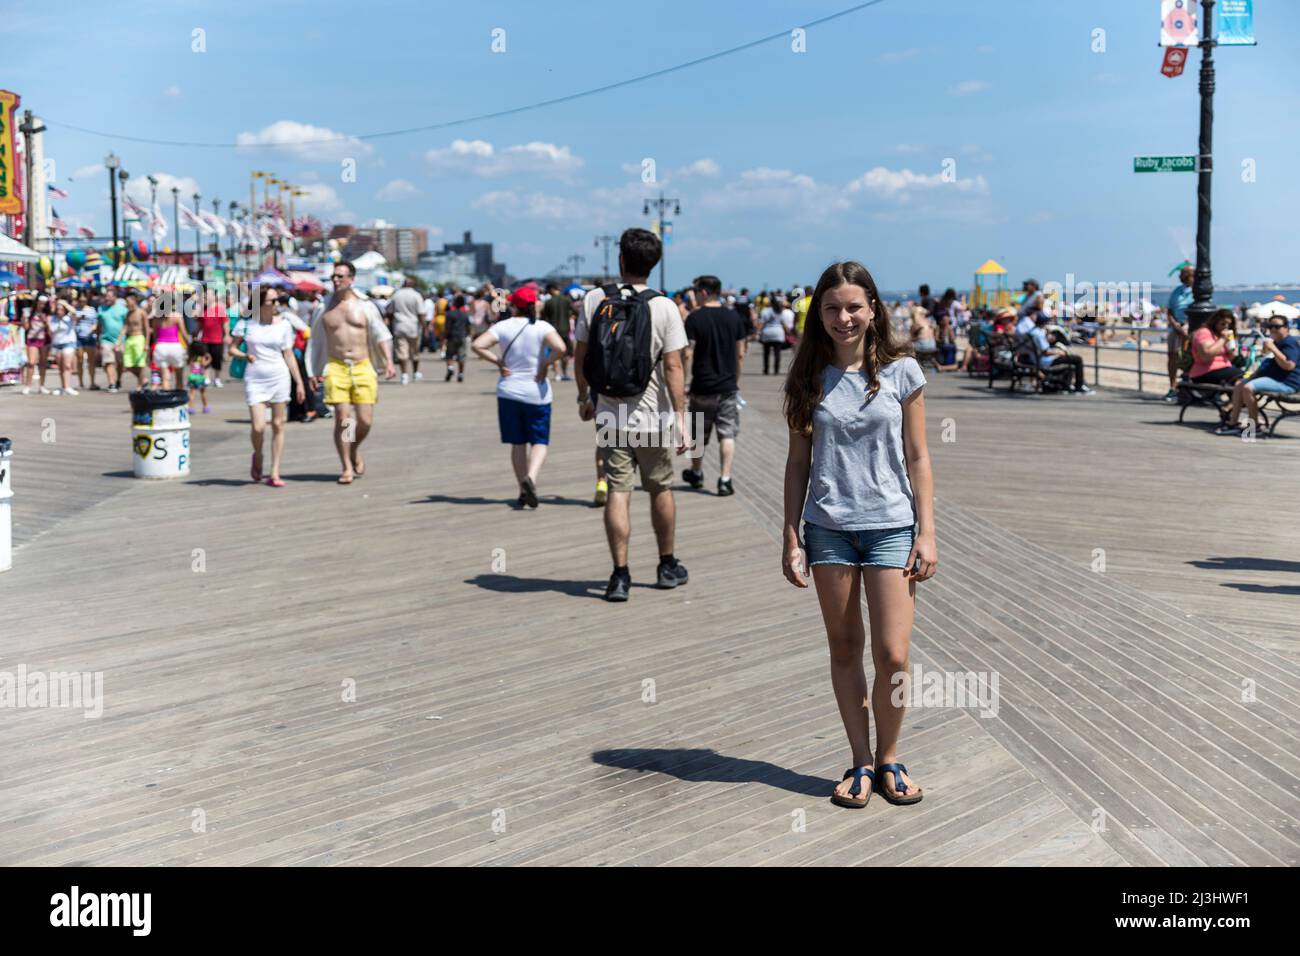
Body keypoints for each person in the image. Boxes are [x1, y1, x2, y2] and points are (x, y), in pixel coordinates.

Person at [781, 260, 936, 810]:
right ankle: (860, 762)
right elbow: (798, 463)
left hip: (892, 527)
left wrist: (927, 532)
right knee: (845, 647)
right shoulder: (807, 377)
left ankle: (891, 756)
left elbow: (918, 456)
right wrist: (790, 535)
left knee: (893, 654)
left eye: (853, 306)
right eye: (831, 308)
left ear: (873, 309)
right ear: (817, 314)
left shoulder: (902, 372)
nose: (843, 317)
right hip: (829, 530)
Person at [574, 228, 689, 601]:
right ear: (653, 265)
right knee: (661, 488)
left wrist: (584, 397)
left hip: (610, 414)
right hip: (653, 418)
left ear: (621, 259)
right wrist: (682, 419)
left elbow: (580, 356)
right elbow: (674, 367)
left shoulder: (595, 299)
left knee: (618, 492)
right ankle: (666, 564)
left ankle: (620, 575)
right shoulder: (664, 306)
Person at [471, 286, 567, 508]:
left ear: (514, 305)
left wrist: (498, 362)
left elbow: (477, 345)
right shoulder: (542, 327)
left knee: (517, 443)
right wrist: (545, 364)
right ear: (534, 304)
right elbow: (561, 348)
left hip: (509, 391)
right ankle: (531, 478)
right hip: (537, 392)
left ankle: (522, 490)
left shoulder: (502, 326)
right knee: (539, 441)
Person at [306, 262, 396, 485]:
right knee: (343, 419)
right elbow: (315, 341)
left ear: (351, 279)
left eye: (340, 276)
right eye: (334, 276)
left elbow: (381, 333)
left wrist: (389, 362)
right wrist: (313, 370)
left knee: (364, 421)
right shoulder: (324, 307)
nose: (336, 280)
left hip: (362, 366)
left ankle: (354, 448)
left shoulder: (364, 306)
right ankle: (346, 465)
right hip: (336, 367)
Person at [231, 287, 306, 487]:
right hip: (255, 378)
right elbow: (231, 348)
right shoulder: (246, 324)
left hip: (279, 376)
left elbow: (288, 354)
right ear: (260, 303)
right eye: (272, 301)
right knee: (258, 426)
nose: (277, 305)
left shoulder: (284, 325)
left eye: (278, 301)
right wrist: (244, 355)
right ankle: (258, 454)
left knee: (278, 424)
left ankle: (274, 472)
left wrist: (299, 382)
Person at [681, 274, 748, 496]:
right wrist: (735, 381)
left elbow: (688, 354)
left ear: (703, 292)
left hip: (702, 386)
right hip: (727, 387)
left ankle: (697, 472)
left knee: (698, 434)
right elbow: (740, 354)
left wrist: (684, 382)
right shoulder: (734, 318)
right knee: (727, 434)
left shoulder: (694, 319)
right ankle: (725, 479)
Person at [1216, 316, 1300, 435]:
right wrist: (1267, 350)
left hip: (1287, 383)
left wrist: (1273, 349)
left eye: (1277, 327)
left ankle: (1254, 426)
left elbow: (1289, 366)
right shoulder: (1277, 342)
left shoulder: (1289, 343)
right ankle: (1232, 423)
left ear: (1286, 328)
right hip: (1274, 378)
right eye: (1270, 327)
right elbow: (1267, 363)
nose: (1273, 330)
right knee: (1240, 385)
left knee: (1248, 388)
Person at [1030, 314, 1091, 393]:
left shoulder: (1034, 332)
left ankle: (1068, 385)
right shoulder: (1039, 334)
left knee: (1071, 358)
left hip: (1041, 359)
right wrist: (1059, 353)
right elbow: (1046, 352)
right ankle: (1079, 386)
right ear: (1043, 323)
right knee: (1078, 359)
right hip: (1047, 361)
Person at [1187, 308, 1242, 387]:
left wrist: (1231, 345)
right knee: (1238, 376)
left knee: (1243, 379)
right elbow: (1206, 356)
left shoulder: (1220, 335)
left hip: (1224, 368)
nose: (1225, 327)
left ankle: (1236, 399)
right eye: (1223, 324)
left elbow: (1231, 357)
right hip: (1205, 371)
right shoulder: (1204, 332)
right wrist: (1223, 339)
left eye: (1229, 325)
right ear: (1215, 321)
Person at [1163, 265, 1194, 401]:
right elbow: (1169, 310)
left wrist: (1186, 326)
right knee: (1173, 357)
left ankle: (1186, 387)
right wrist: (1175, 325)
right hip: (1175, 329)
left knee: (1187, 358)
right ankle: (1173, 387)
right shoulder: (1176, 291)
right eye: (1182, 273)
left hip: (1190, 329)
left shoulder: (1197, 291)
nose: (1182, 276)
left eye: (1185, 273)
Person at [387, 276, 425, 385]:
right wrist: (424, 326)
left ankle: (404, 374)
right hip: (413, 327)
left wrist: (391, 324)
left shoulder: (396, 295)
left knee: (402, 351)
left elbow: (389, 312)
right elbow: (421, 313)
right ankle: (415, 372)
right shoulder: (416, 295)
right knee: (415, 351)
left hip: (400, 326)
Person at [152, 302, 188, 391]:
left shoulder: (156, 319)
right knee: (179, 376)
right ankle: (179, 399)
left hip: (161, 347)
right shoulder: (177, 317)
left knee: (165, 377)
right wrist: (189, 346)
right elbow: (183, 333)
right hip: (175, 347)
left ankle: (166, 399)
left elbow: (155, 336)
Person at [541, 282, 574, 380]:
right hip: (565, 330)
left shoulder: (548, 302)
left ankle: (557, 374)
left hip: (553, 331)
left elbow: (543, 318)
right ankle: (564, 373)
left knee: (554, 351)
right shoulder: (566, 300)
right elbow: (573, 312)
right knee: (566, 353)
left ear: (551, 289)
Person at [96, 288, 127, 393]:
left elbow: (126, 325)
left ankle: (118, 379)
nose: (107, 298)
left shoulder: (123, 309)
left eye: (109, 296)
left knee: (120, 363)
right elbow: (99, 325)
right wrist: (97, 339)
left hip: (120, 340)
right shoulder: (101, 309)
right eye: (106, 296)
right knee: (109, 362)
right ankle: (111, 383)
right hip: (106, 340)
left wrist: (120, 339)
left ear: (115, 297)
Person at [48, 300, 80, 396]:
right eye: (58, 309)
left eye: (61, 309)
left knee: (67, 365)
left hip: (69, 343)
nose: (59, 311)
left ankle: (67, 387)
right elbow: (51, 331)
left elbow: (75, 312)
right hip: (57, 344)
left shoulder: (69, 318)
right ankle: (63, 387)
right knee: (61, 367)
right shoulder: (52, 319)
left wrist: (65, 304)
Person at [118, 293, 150, 390]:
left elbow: (147, 329)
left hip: (139, 338)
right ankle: (143, 379)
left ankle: (139, 384)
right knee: (127, 364)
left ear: (134, 301)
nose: (126, 304)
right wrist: (119, 341)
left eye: (128, 302)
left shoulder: (141, 312)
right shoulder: (128, 313)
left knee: (140, 364)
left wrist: (146, 343)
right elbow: (125, 327)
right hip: (129, 339)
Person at [199, 287, 229, 388]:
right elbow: (199, 323)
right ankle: (206, 378)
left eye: (208, 294)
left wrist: (227, 335)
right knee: (205, 359)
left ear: (214, 296)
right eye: (205, 295)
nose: (206, 296)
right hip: (205, 339)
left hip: (217, 339)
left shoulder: (220, 309)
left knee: (217, 360)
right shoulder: (203, 309)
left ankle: (217, 378)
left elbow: (225, 323)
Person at [758, 295, 793, 375]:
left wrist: (758, 332)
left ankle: (766, 369)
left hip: (767, 333)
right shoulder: (780, 311)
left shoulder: (765, 311)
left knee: (766, 353)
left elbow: (762, 323)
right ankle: (776, 370)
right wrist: (789, 333)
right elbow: (784, 324)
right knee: (777, 353)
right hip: (778, 333)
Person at [21, 299, 49, 395]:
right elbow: (26, 328)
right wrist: (24, 320)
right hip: (32, 339)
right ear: (36, 302)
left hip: (44, 340)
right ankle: (28, 386)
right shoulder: (30, 312)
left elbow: (50, 329)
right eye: (40, 303)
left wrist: (45, 321)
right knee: (31, 363)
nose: (42, 305)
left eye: (44, 304)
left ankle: (42, 386)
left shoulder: (46, 313)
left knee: (43, 363)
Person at [443, 294, 471, 382]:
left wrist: (445, 337)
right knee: (461, 356)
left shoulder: (449, 314)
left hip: (452, 337)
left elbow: (447, 327)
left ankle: (450, 368)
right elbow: (468, 327)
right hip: (462, 336)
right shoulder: (465, 315)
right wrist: (468, 335)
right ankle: (461, 373)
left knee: (449, 355)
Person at [75, 296, 99, 390]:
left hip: (90, 337)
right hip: (79, 338)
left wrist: (91, 330)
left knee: (91, 362)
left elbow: (96, 323)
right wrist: (78, 318)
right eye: (80, 301)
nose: (82, 302)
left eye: (84, 300)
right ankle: (80, 383)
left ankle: (92, 382)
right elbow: (73, 321)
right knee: (79, 360)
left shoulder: (92, 310)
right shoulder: (76, 310)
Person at [186, 341, 211, 414]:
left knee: (191, 393)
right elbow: (204, 364)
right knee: (203, 393)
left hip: (192, 377)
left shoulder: (191, 358)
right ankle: (205, 407)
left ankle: (190, 407)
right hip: (200, 377)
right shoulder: (202, 357)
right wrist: (209, 359)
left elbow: (189, 364)